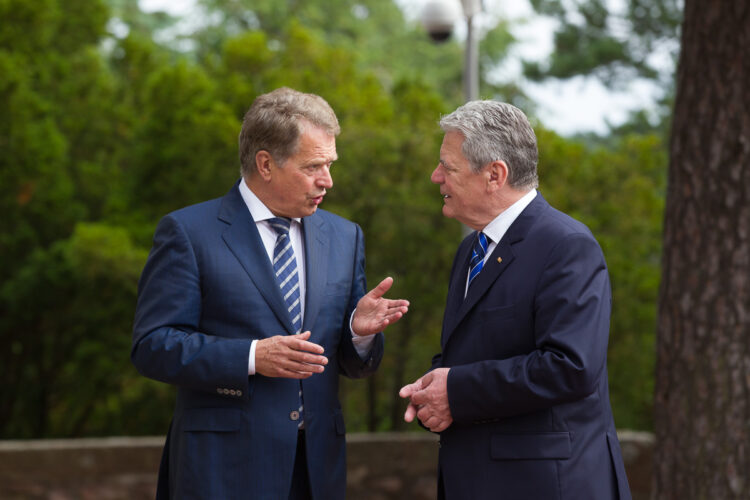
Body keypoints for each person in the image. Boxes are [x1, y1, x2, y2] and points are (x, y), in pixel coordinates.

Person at [132, 87, 409, 500]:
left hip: (316, 471)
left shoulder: (345, 236)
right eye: (313, 166)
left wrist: (358, 331)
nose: (327, 181)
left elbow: (353, 366)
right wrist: (251, 357)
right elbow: (153, 346)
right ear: (265, 164)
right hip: (221, 471)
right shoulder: (188, 233)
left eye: (330, 164)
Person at [399, 100, 631, 499]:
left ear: (494, 174)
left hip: (547, 486)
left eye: (448, 167)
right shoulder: (471, 249)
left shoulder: (567, 245)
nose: (435, 176)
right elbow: (467, 355)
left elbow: (571, 367)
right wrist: (431, 393)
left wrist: (455, 390)